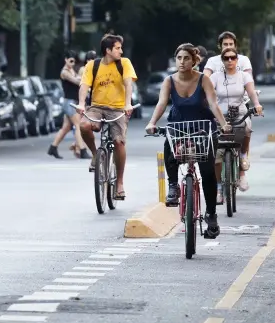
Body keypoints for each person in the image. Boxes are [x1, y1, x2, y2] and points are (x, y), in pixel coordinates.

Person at [145, 44, 232, 239]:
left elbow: (213, 104)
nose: (182, 62)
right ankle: (174, 186)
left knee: (208, 171)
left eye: (186, 58)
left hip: (203, 128)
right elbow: (161, 103)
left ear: (194, 61)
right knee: (168, 143)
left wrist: (224, 124)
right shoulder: (169, 80)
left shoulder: (204, 79)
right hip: (179, 127)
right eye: (179, 58)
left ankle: (211, 214)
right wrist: (152, 123)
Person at [76, 34, 138, 200]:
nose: (121, 51)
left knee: (118, 142)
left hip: (118, 109)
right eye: (117, 48)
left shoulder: (124, 63)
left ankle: (119, 184)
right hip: (97, 107)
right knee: (84, 126)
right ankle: (96, 154)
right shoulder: (92, 65)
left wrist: (127, 104)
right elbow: (84, 86)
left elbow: (128, 84)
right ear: (108, 50)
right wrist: (82, 104)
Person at [210, 47, 263, 199]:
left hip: (240, 112)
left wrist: (257, 105)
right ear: (222, 61)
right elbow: (207, 94)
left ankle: (243, 157)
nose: (230, 61)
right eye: (226, 58)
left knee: (246, 129)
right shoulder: (215, 77)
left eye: (233, 57)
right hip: (220, 114)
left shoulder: (244, 76)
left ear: (237, 59)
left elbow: (252, 93)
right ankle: (219, 187)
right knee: (216, 154)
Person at [48, 51, 90, 160]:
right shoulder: (64, 72)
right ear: (65, 60)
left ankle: (53, 147)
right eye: (70, 60)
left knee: (65, 128)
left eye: (74, 61)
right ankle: (82, 150)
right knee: (78, 126)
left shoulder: (71, 70)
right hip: (69, 102)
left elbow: (78, 79)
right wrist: (84, 79)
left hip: (73, 102)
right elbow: (76, 81)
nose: (72, 63)